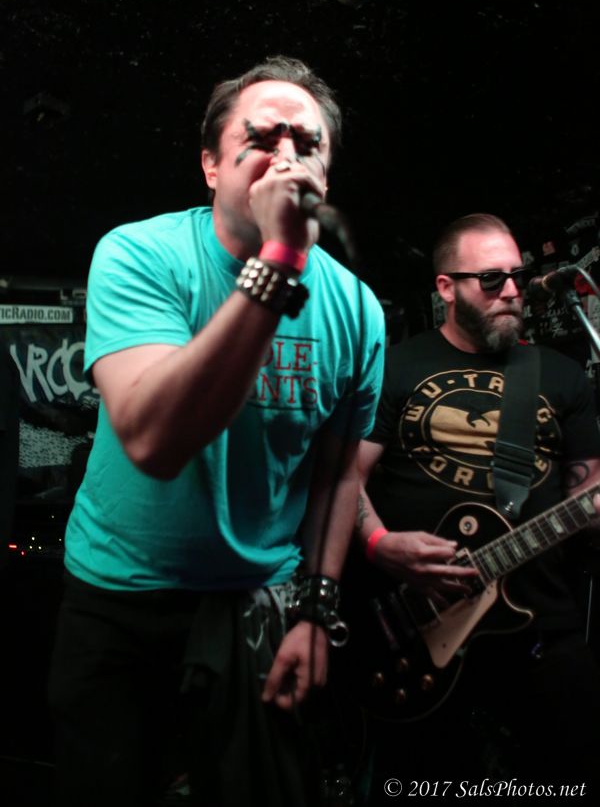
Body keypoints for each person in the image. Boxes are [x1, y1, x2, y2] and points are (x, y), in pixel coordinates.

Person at [48, 56, 385, 807]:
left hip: (257, 600)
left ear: (326, 175)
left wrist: (316, 611)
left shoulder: (358, 310)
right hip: (121, 597)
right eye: (261, 137)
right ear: (210, 165)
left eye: (309, 143)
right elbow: (155, 441)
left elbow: (337, 474)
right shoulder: (139, 254)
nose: (287, 155)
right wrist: (279, 260)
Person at [350, 213, 600, 802]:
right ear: (446, 288)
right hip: (417, 624)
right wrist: (379, 545)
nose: (511, 290)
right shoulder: (395, 367)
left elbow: (586, 491)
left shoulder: (561, 375)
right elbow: (343, 480)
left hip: (541, 622)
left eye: (518, 277)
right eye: (491, 279)